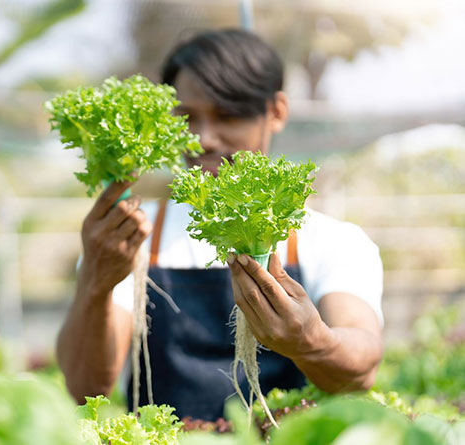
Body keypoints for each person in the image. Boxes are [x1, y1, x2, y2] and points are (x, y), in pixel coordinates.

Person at [56, 28, 384, 420]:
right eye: (187, 117)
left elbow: (362, 363)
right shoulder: (131, 237)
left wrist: (311, 342)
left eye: (229, 114)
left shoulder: (332, 241)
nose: (204, 138)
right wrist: (96, 278)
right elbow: (86, 386)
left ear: (276, 111)